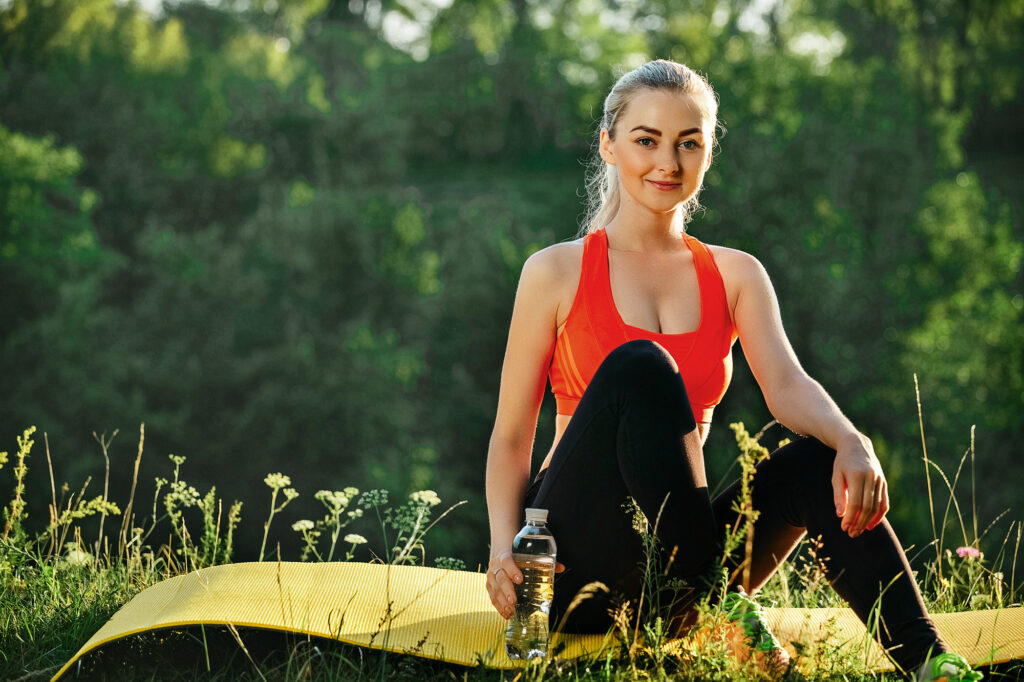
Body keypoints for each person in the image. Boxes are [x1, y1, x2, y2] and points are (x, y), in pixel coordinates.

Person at [483, 59, 982, 681]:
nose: (667, 162)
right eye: (646, 140)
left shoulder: (735, 273)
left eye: (688, 144)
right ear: (610, 145)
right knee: (640, 366)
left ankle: (932, 664)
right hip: (574, 569)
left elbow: (787, 385)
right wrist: (506, 549)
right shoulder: (555, 272)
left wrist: (852, 440)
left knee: (816, 459)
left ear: (708, 155)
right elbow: (510, 437)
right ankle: (721, 600)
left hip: (673, 581)